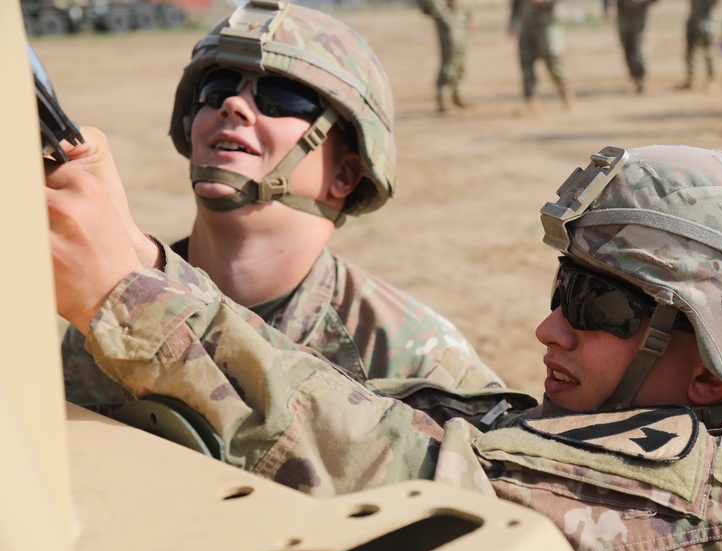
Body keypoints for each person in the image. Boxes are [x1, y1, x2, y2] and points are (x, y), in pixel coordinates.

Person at [48, 134, 722, 551]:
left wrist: (130, 296)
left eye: (597, 303)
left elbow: (431, 485)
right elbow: (424, 415)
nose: (549, 327)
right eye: (563, 284)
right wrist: (150, 265)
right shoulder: (620, 432)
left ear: (719, 368)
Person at [59, 0, 506, 417]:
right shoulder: (110, 312)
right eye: (215, 92)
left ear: (345, 176)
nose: (233, 105)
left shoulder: (417, 361)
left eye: (280, 99)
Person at [508, 0, 575, 113]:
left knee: (552, 57)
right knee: (526, 61)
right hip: (527, 21)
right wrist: (513, 22)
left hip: (549, 20)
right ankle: (532, 98)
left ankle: (565, 90)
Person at [417, 0, 476, 112]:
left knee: (460, 58)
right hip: (449, 19)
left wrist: (470, 17)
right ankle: (443, 95)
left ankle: (458, 93)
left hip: (462, 17)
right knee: (450, 59)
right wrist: (444, 16)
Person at [603, 0, 658, 94]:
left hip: (639, 10)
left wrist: (650, 3)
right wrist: (607, 7)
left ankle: (640, 77)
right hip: (623, 10)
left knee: (637, 45)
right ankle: (634, 76)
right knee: (626, 44)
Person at [678, 0, 718, 90]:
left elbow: (713, 7)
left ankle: (712, 78)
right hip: (692, 20)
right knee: (689, 52)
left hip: (704, 22)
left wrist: (710, 25)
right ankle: (690, 78)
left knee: (708, 51)